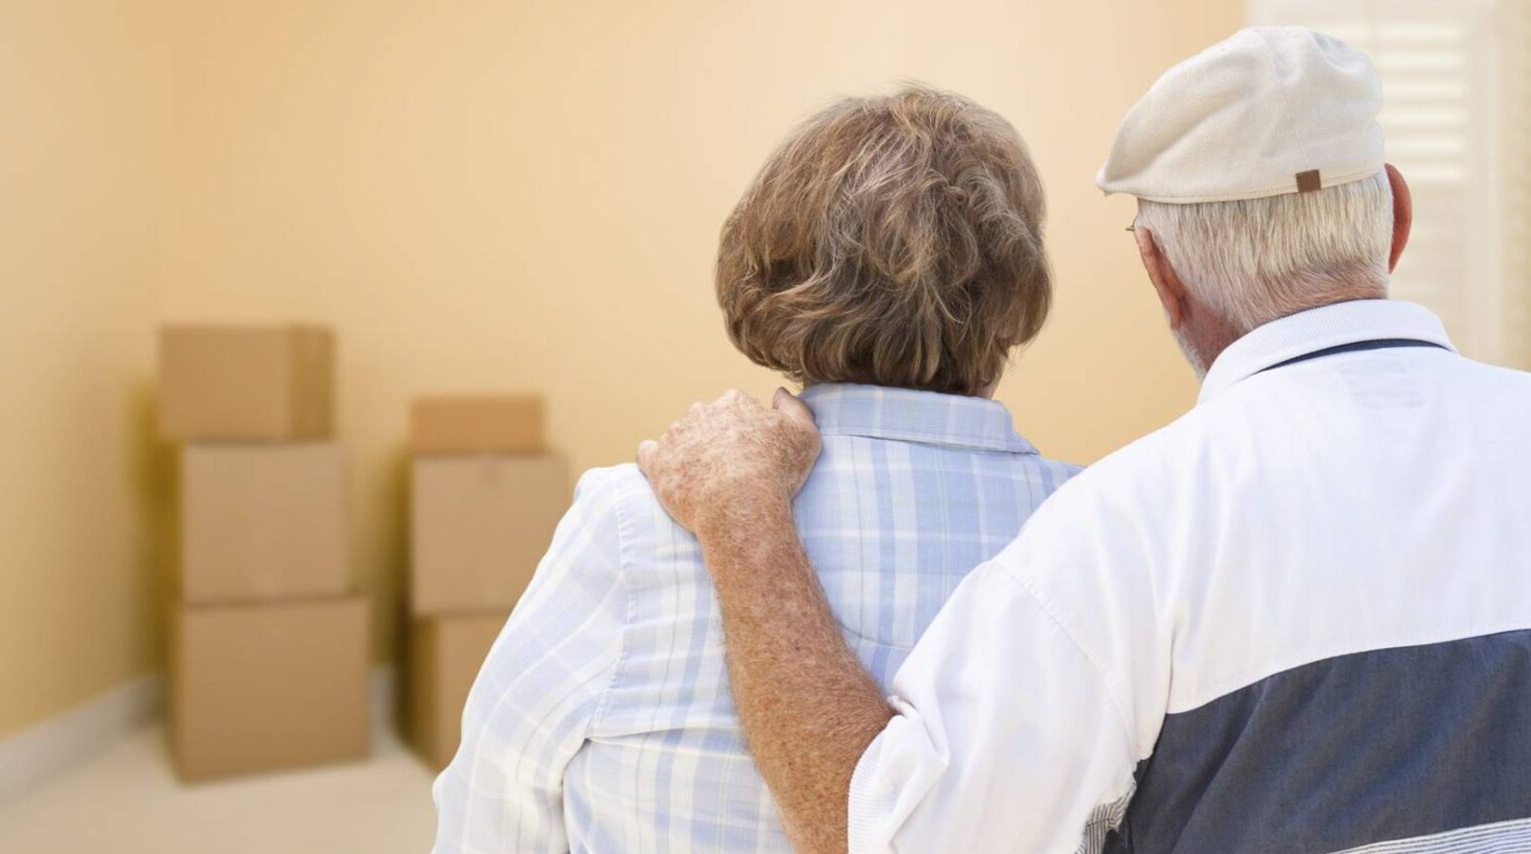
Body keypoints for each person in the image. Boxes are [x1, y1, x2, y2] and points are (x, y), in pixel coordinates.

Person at [633, 27, 1531, 854]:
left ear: (1158, 273)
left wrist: (742, 517)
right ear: (1393, 215)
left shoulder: (1130, 528)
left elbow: (894, 836)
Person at [431, 85, 1080, 852]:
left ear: (775, 272)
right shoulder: (1100, 531)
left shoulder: (641, 522)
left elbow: (492, 813)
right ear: (1014, 292)